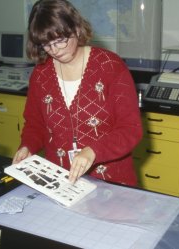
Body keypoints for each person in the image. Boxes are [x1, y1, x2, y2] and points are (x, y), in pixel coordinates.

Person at [13, 0, 143, 186]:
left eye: (60, 41)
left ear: (75, 28)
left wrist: (93, 151)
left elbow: (130, 129)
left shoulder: (110, 67)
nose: (55, 51)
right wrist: (28, 146)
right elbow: (35, 124)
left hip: (111, 181)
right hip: (60, 180)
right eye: (46, 45)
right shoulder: (41, 74)